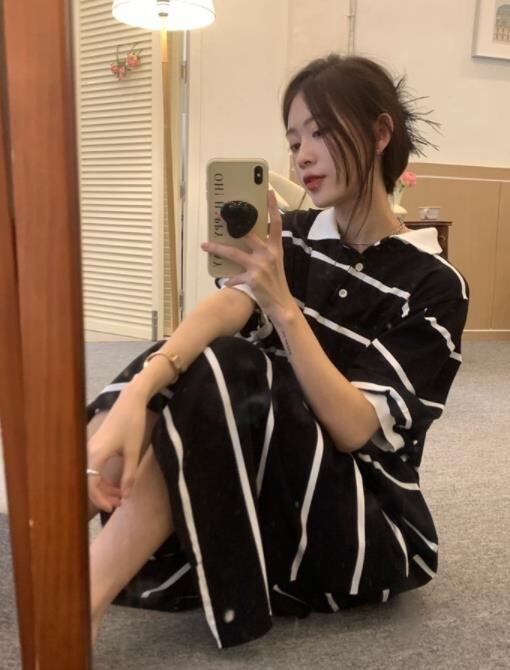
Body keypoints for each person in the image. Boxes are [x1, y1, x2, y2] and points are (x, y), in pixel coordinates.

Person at [86, 54, 469, 649]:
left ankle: (79, 596)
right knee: (190, 355)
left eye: (319, 132)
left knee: (234, 364)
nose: (302, 157)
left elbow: (353, 428)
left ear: (379, 133)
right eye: (293, 142)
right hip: (263, 492)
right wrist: (139, 393)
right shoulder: (288, 234)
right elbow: (227, 308)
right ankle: (55, 535)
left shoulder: (435, 284)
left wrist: (284, 308)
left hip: (361, 524)